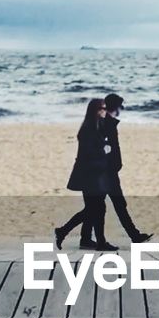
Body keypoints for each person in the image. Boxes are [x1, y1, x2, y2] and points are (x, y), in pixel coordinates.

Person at [54, 98, 118, 250]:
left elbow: (108, 133)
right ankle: (96, 241)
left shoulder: (97, 125)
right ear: (94, 111)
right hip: (89, 174)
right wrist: (104, 153)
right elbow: (89, 154)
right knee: (96, 208)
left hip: (94, 173)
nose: (104, 111)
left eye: (105, 108)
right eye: (101, 108)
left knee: (92, 208)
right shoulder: (88, 129)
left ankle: (84, 239)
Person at [101, 92, 152, 244]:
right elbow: (108, 147)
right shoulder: (107, 124)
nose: (121, 109)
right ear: (115, 107)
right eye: (120, 106)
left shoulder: (106, 122)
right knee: (117, 204)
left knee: (97, 207)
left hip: (108, 170)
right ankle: (134, 236)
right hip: (107, 171)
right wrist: (113, 163)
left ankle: (83, 236)